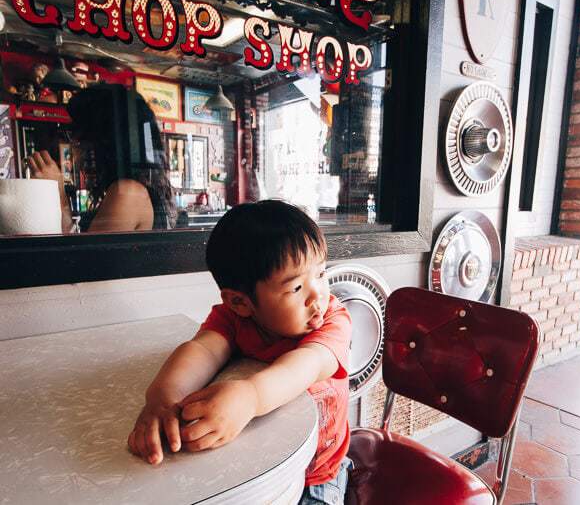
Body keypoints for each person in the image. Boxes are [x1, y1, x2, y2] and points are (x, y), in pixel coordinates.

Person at [127, 200, 353, 505]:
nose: (318, 296)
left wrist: (250, 397)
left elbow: (305, 366)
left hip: (318, 472)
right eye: (296, 288)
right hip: (259, 461)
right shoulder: (233, 318)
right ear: (240, 302)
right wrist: (163, 399)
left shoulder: (332, 321)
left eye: (322, 274)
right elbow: (202, 350)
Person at [27, 84, 176, 233]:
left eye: (77, 135)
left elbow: (82, 255)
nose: (75, 147)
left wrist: (58, 195)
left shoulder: (128, 193)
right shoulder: (138, 187)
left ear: (103, 141)